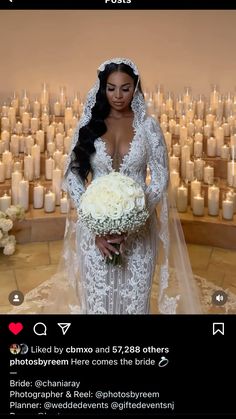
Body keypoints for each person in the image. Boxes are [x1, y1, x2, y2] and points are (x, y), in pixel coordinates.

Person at [9, 57, 203, 315]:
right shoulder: (88, 125)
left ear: (136, 87)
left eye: (125, 87)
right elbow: (73, 175)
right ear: (102, 88)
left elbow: (159, 177)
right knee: (98, 304)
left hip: (139, 232)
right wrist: (93, 223)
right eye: (111, 88)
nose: (118, 95)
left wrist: (134, 220)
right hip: (95, 234)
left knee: (135, 304)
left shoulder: (148, 127)